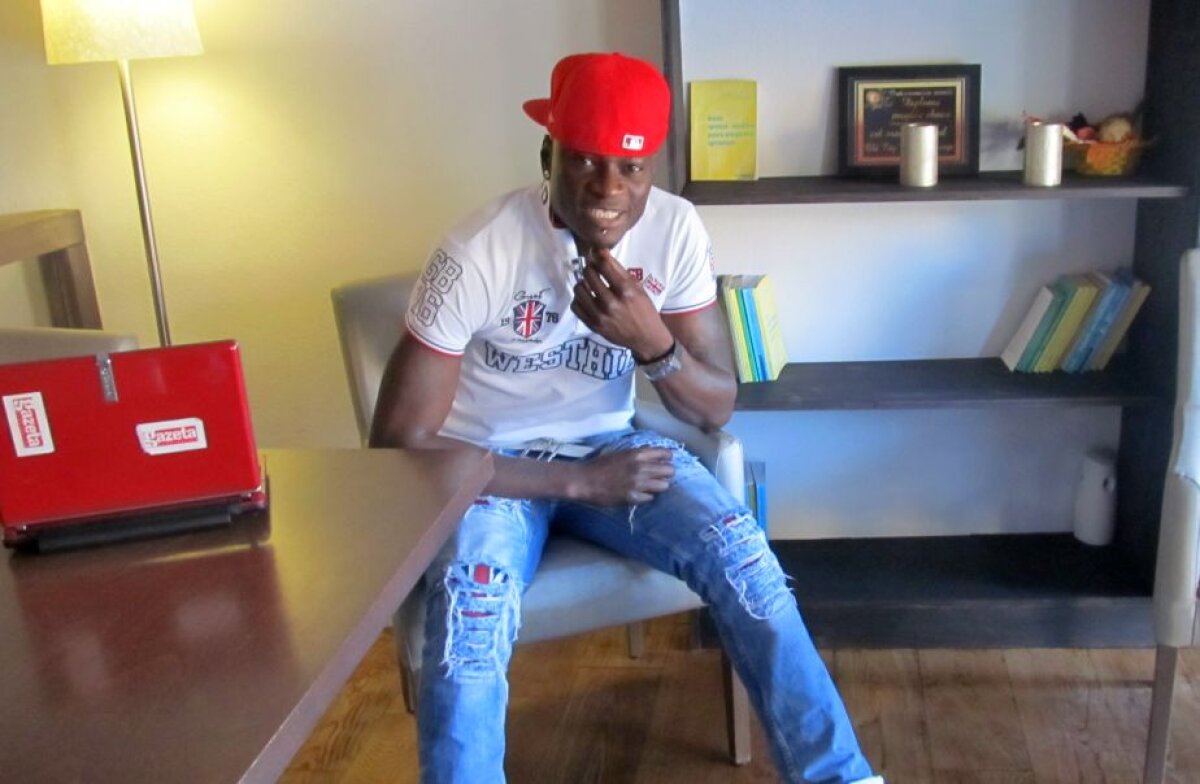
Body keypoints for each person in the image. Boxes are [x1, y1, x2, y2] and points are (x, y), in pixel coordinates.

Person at [371, 51, 882, 784]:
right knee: (472, 615)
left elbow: (718, 403)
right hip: (487, 467)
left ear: (651, 170)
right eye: (584, 160)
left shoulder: (674, 230)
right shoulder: (477, 250)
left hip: (610, 444)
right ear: (548, 156)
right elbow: (400, 445)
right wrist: (578, 483)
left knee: (745, 557)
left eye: (631, 168)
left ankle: (841, 776)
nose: (609, 188)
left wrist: (654, 344)